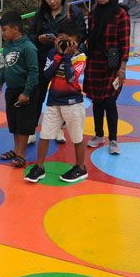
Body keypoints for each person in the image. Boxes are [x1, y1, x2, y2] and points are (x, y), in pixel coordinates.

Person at [25, 19, 88, 184]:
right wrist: (60, 54)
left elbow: (71, 78)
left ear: (77, 41)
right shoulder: (53, 53)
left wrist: (67, 56)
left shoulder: (80, 57)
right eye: (61, 38)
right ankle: (39, 167)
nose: (64, 42)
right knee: (45, 134)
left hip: (73, 103)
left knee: (76, 136)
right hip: (53, 101)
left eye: (68, 39)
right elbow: (47, 74)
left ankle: (80, 167)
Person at [28, 0, 87, 144]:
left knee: (60, 95)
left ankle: (59, 129)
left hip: (64, 60)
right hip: (42, 59)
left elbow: (82, 35)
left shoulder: (73, 12)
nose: (52, 1)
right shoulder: (40, 14)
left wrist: (70, 48)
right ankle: (32, 130)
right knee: (37, 94)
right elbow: (30, 35)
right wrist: (39, 39)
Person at [84, 0, 128, 155]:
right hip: (94, 62)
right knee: (97, 101)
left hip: (113, 65)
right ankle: (98, 135)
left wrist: (122, 68)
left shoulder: (120, 14)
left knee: (110, 102)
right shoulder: (93, 14)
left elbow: (125, 43)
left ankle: (113, 140)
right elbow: (90, 38)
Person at [0, 11, 38, 168]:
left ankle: (22, 153)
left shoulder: (28, 47)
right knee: (13, 122)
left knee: (23, 123)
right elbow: (7, 66)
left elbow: (34, 71)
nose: (2, 33)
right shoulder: (8, 46)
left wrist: (26, 92)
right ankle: (16, 149)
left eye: (4, 29)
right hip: (11, 91)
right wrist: (0, 81)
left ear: (15, 29)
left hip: (23, 91)